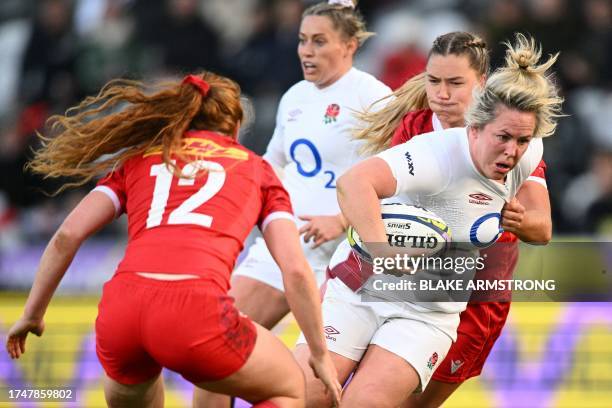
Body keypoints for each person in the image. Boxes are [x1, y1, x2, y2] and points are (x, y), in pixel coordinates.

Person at [5, 71, 342, 408]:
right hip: (195, 310)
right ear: (235, 125)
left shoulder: (138, 160)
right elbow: (295, 270)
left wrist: (33, 313)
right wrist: (319, 353)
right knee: (287, 388)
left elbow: (67, 235)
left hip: (123, 312)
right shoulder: (257, 170)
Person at [294, 33, 563, 407]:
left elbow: (542, 227)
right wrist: (366, 248)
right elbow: (369, 191)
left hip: (465, 299)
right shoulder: (423, 138)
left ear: (481, 85)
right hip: (380, 281)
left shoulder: (518, 137)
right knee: (304, 395)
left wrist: (515, 218)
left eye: (455, 83)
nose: (442, 93)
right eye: (433, 81)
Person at [194, 1, 390, 406]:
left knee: (312, 391)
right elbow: (272, 166)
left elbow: (397, 180)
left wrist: (341, 219)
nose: (307, 51)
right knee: (212, 356)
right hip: (284, 245)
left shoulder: (374, 98)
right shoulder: (295, 97)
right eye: (303, 41)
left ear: (350, 46)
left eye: (320, 42)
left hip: (340, 257)